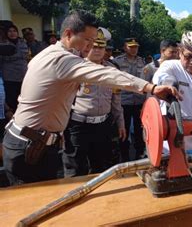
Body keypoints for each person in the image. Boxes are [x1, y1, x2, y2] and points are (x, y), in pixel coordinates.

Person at [1, 10, 179, 185]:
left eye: (94, 41)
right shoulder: (63, 60)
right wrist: (151, 87)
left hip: (33, 142)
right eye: (87, 39)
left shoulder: (46, 54)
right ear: (68, 34)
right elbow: (107, 75)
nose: (90, 46)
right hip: (30, 149)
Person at [62, 29, 126, 177]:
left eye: (101, 47)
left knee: (100, 167)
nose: (97, 50)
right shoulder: (75, 68)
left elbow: (116, 101)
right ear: (86, 47)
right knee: (75, 168)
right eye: (94, 46)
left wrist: (121, 123)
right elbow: (64, 99)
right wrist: (60, 129)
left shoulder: (112, 70)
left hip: (102, 125)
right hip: (77, 125)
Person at [114, 38, 147, 161]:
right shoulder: (117, 62)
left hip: (138, 101)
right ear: (124, 47)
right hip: (124, 102)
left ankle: (139, 154)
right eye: (131, 46)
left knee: (140, 130)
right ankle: (124, 156)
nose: (134, 49)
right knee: (124, 130)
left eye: (136, 47)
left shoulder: (142, 61)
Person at [0, 24, 29, 112]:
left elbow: (24, 53)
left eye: (14, 31)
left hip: (22, 76)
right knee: (11, 101)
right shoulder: (2, 44)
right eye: (9, 31)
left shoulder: (22, 42)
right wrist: (14, 54)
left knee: (23, 100)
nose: (12, 33)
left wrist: (11, 54)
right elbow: (2, 58)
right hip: (9, 77)